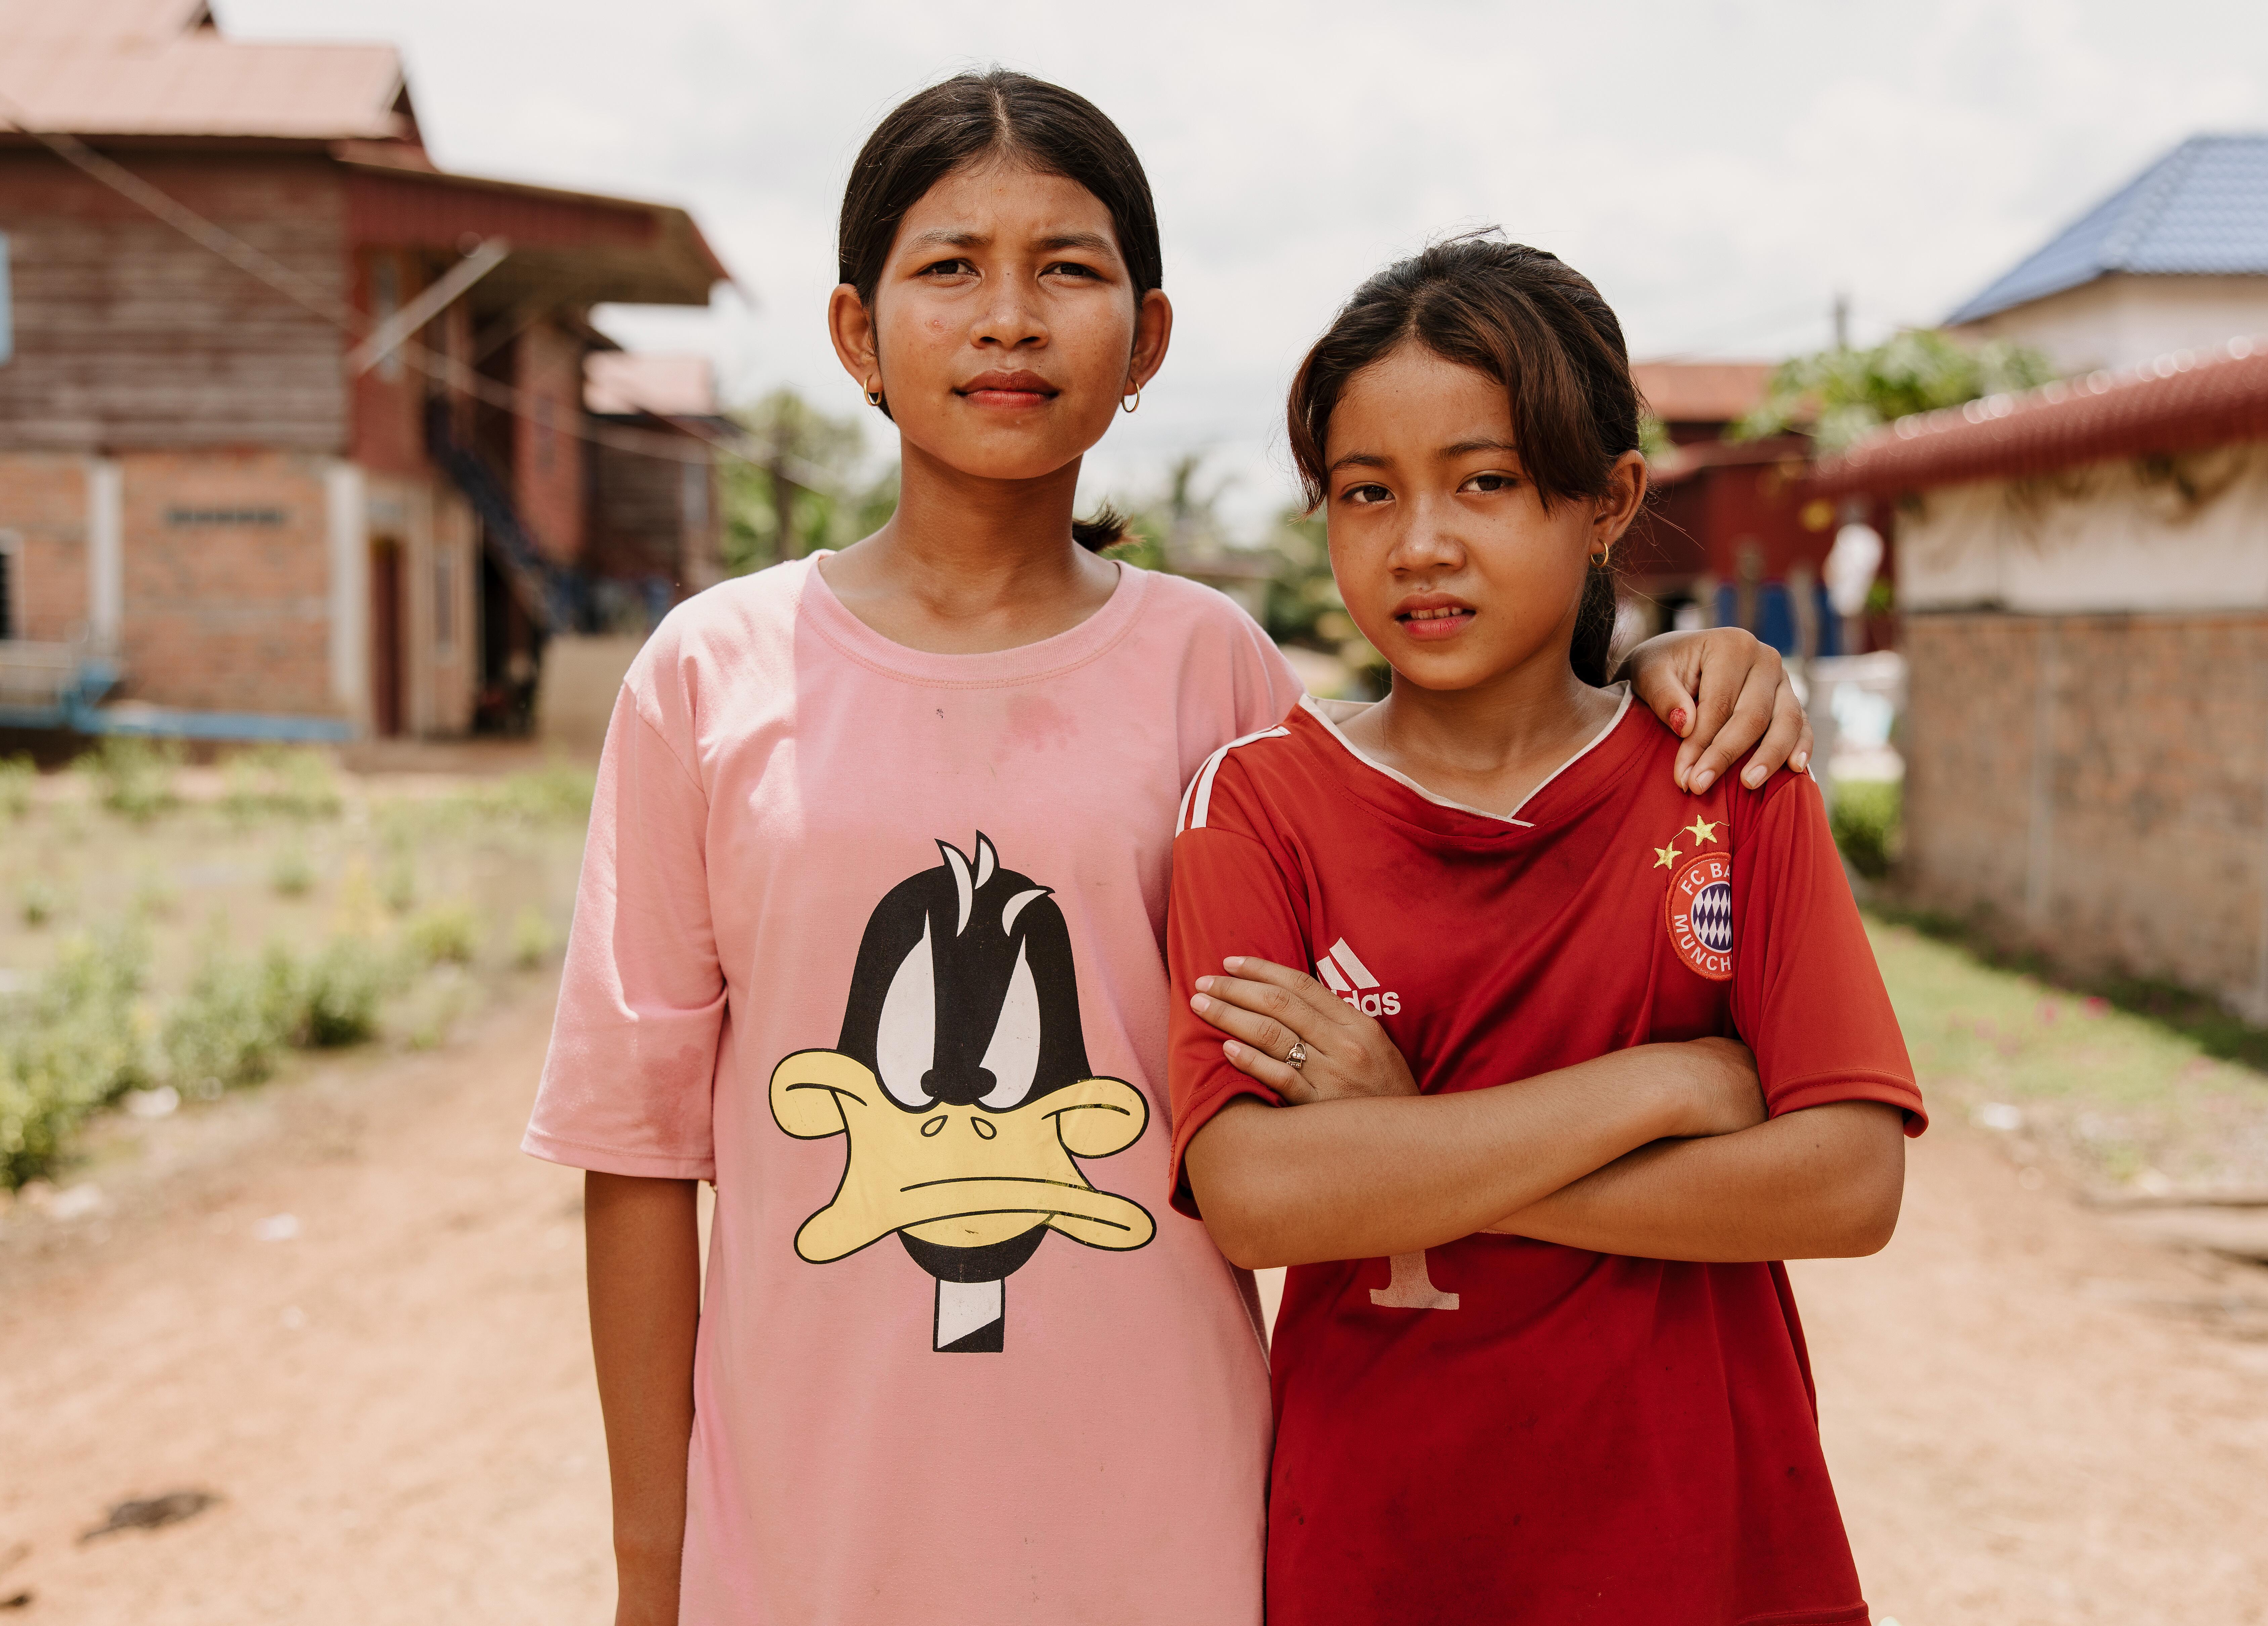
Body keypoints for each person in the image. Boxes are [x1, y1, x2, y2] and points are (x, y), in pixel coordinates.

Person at [526, 75, 1813, 1625]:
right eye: (950, 268)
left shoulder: (1217, 676)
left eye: (1067, 269)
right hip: (807, 1535)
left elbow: (1470, 756)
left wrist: (1670, 657)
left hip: (1175, 1526)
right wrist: (649, 1577)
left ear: (1146, 341)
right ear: (857, 335)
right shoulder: (706, 673)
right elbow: (642, 1149)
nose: (1009, 318)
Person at [1170, 235, 1926, 1626]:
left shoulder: (1725, 773)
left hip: (1712, 1552)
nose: (1421, 544)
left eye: (1486, 481)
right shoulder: (1261, 803)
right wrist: (1667, 1085)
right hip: (1384, 1552)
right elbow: (1260, 1195)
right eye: (1364, 492)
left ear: (1608, 499)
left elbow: (1845, 1184)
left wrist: (1411, 1138)